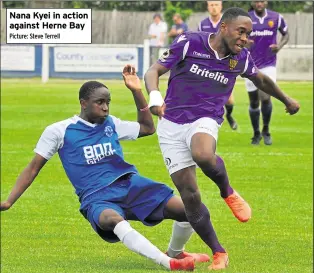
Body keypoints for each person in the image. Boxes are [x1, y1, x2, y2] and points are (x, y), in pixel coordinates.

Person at [0, 64, 214, 271]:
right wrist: (10, 200)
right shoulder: (59, 131)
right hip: (96, 197)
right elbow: (33, 168)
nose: (105, 107)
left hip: (131, 185)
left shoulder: (111, 123)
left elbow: (148, 128)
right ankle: (169, 264)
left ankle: (175, 253)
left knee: (191, 209)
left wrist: (137, 91)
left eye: (108, 102)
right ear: (83, 103)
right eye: (99, 102)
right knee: (112, 220)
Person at [144, 7, 299, 270]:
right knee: (190, 197)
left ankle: (227, 192)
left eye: (248, 34)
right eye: (241, 31)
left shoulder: (241, 58)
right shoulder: (190, 42)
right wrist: (155, 98)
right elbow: (153, 72)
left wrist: (286, 99)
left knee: (203, 154)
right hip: (170, 126)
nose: (245, 38)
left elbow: (260, 79)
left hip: (204, 119)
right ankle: (219, 252)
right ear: (224, 27)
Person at [246, 1, 290, 145]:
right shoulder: (245, 18)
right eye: (256, 1)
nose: (259, 3)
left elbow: (286, 34)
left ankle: (266, 129)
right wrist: (244, 42)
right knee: (253, 101)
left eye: (262, 1)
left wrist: (279, 46)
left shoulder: (276, 17)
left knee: (265, 97)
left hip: (268, 64)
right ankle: (256, 133)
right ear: (252, 2)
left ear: (266, 2)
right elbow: (236, 36)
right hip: (249, 64)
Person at [198, 1, 238, 130]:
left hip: (225, 64)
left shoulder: (228, 22)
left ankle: (230, 115)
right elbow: (200, 44)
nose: (214, 7)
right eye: (211, 5)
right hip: (208, 65)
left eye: (216, 5)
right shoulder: (202, 24)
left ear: (221, 6)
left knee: (229, 100)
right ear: (208, 6)